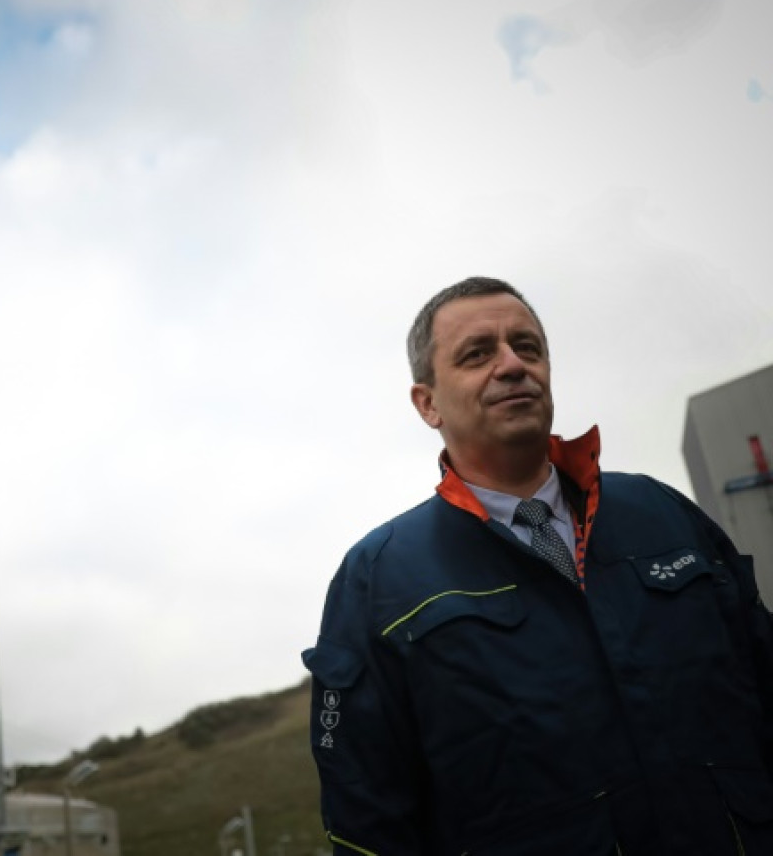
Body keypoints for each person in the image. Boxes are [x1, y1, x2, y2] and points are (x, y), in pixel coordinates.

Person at [302, 276, 773, 855]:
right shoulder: (379, 578)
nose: (511, 365)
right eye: (478, 354)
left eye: (527, 348)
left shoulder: (663, 514)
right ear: (427, 403)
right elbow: (365, 816)